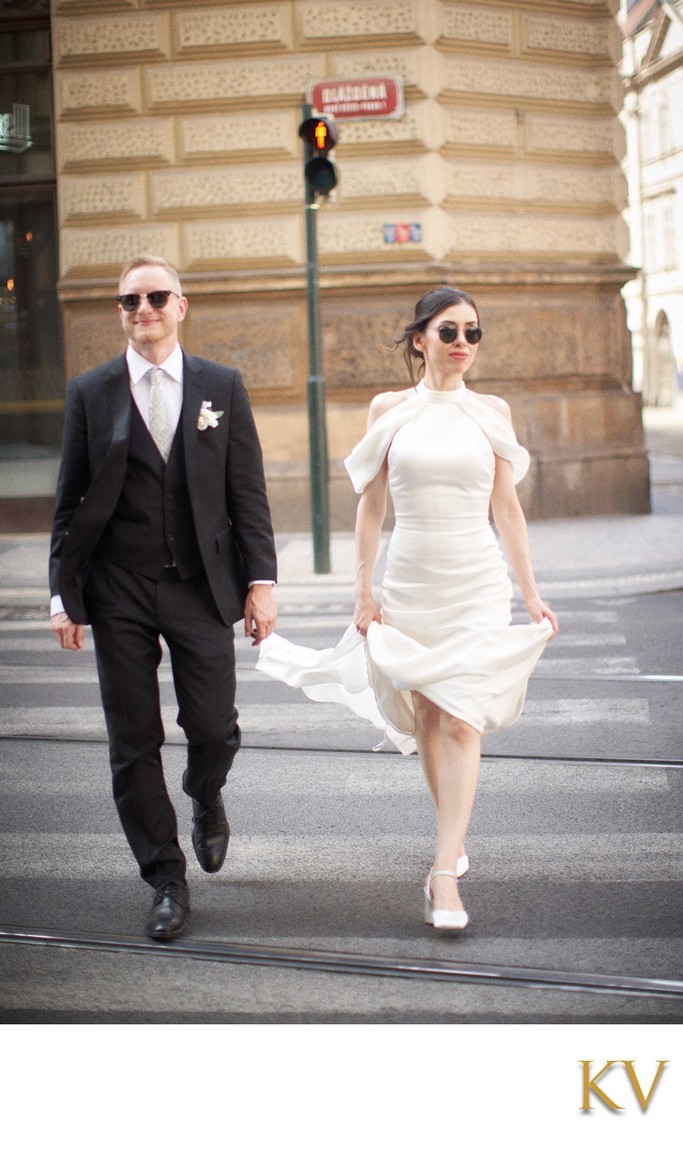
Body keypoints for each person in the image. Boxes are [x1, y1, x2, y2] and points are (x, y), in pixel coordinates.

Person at [258, 286, 558, 932]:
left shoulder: (491, 412)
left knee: (459, 721)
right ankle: (451, 836)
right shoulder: (389, 409)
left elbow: (506, 508)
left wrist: (529, 591)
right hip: (412, 579)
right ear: (418, 339)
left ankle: (442, 871)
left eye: (472, 334)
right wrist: (362, 590)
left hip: (475, 582)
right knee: (426, 711)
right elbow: (371, 506)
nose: (461, 345)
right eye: (448, 332)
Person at [49, 254, 277, 941]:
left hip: (201, 584)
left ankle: (205, 793)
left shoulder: (220, 386)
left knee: (212, 726)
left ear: (181, 305)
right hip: (117, 586)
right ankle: (165, 879)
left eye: (155, 296)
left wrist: (261, 583)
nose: (142, 308)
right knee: (132, 739)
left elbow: (248, 493)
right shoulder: (90, 392)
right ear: (119, 313)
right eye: (129, 300)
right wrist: (64, 596)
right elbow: (68, 505)